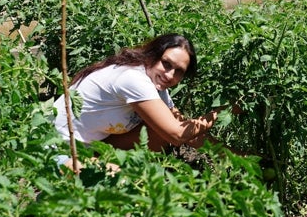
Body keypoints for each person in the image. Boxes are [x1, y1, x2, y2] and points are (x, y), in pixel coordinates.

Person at [53, 34, 237, 168]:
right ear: (152, 56)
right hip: (53, 149)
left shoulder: (154, 83)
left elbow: (183, 127)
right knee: (119, 180)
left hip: (89, 147)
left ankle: (100, 165)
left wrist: (236, 158)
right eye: (166, 64)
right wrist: (223, 112)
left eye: (179, 71)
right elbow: (178, 134)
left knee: (159, 133)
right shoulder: (132, 78)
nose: (170, 75)